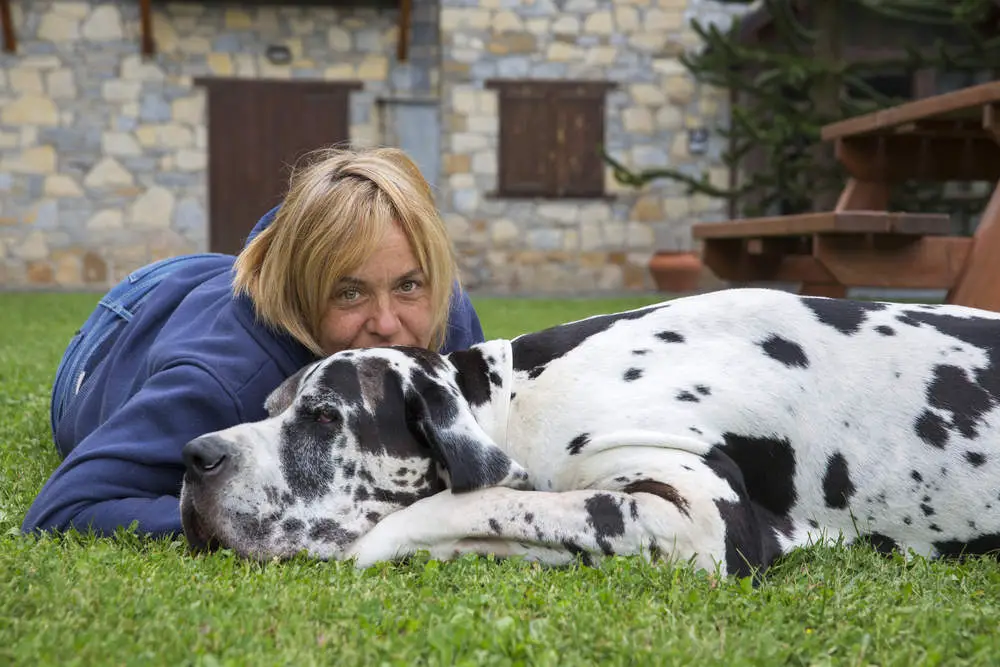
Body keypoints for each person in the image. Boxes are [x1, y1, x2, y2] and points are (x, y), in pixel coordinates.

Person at [21, 146, 485, 539]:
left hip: (239, 265)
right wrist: (235, 518)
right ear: (301, 295)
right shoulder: (226, 379)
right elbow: (64, 508)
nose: (387, 324)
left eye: (407, 286)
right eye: (349, 292)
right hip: (120, 325)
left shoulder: (444, 321)